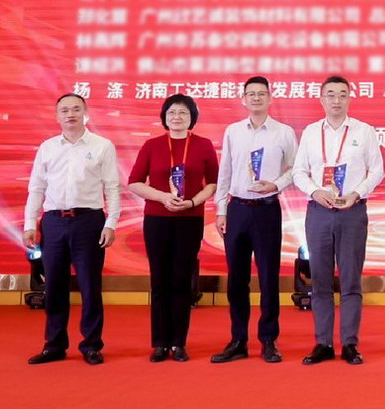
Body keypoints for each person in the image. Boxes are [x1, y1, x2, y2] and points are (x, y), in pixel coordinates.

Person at [292, 75, 385, 365]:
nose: (336, 100)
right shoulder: (310, 132)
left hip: (352, 212)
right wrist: (315, 191)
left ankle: (349, 343)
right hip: (319, 211)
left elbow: (377, 171)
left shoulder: (364, 131)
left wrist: (356, 194)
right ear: (321, 99)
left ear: (349, 99)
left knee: (350, 279)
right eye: (330, 94)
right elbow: (298, 171)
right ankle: (323, 343)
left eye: (342, 95)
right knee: (319, 280)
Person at [23, 93, 121, 365]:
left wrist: (111, 223)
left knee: (90, 286)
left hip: (88, 221)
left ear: (85, 113)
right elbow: (36, 188)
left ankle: (91, 345)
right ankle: (54, 344)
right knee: (54, 285)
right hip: (53, 222)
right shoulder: (47, 147)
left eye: (76, 109)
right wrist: (30, 224)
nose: (70, 114)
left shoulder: (102, 146)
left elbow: (112, 187)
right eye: (64, 110)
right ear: (57, 116)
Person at [211, 76, 298, 364]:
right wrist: (221, 210)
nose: (257, 98)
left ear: (270, 98)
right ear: (244, 99)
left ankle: (269, 339)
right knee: (237, 278)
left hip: (266, 209)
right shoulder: (233, 131)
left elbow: (296, 169)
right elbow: (225, 171)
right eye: (251, 94)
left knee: (269, 277)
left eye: (262, 93)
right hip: (237, 209)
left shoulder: (283, 132)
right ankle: (238, 339)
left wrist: (276, 184)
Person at [127, 94, 218, 362]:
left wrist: (192, 201)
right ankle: (159, 342)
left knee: (181, 280)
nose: (177, 117)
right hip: (157, 219)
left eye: (183, 113)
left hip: (190, 219)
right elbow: (134, 182)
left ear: (192, 117)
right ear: (164, 117)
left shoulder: (203, 145)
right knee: (160, 280)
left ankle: (178, 342)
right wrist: (162, 197)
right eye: (172, 113)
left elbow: (213, 183)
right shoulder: (152, 145)